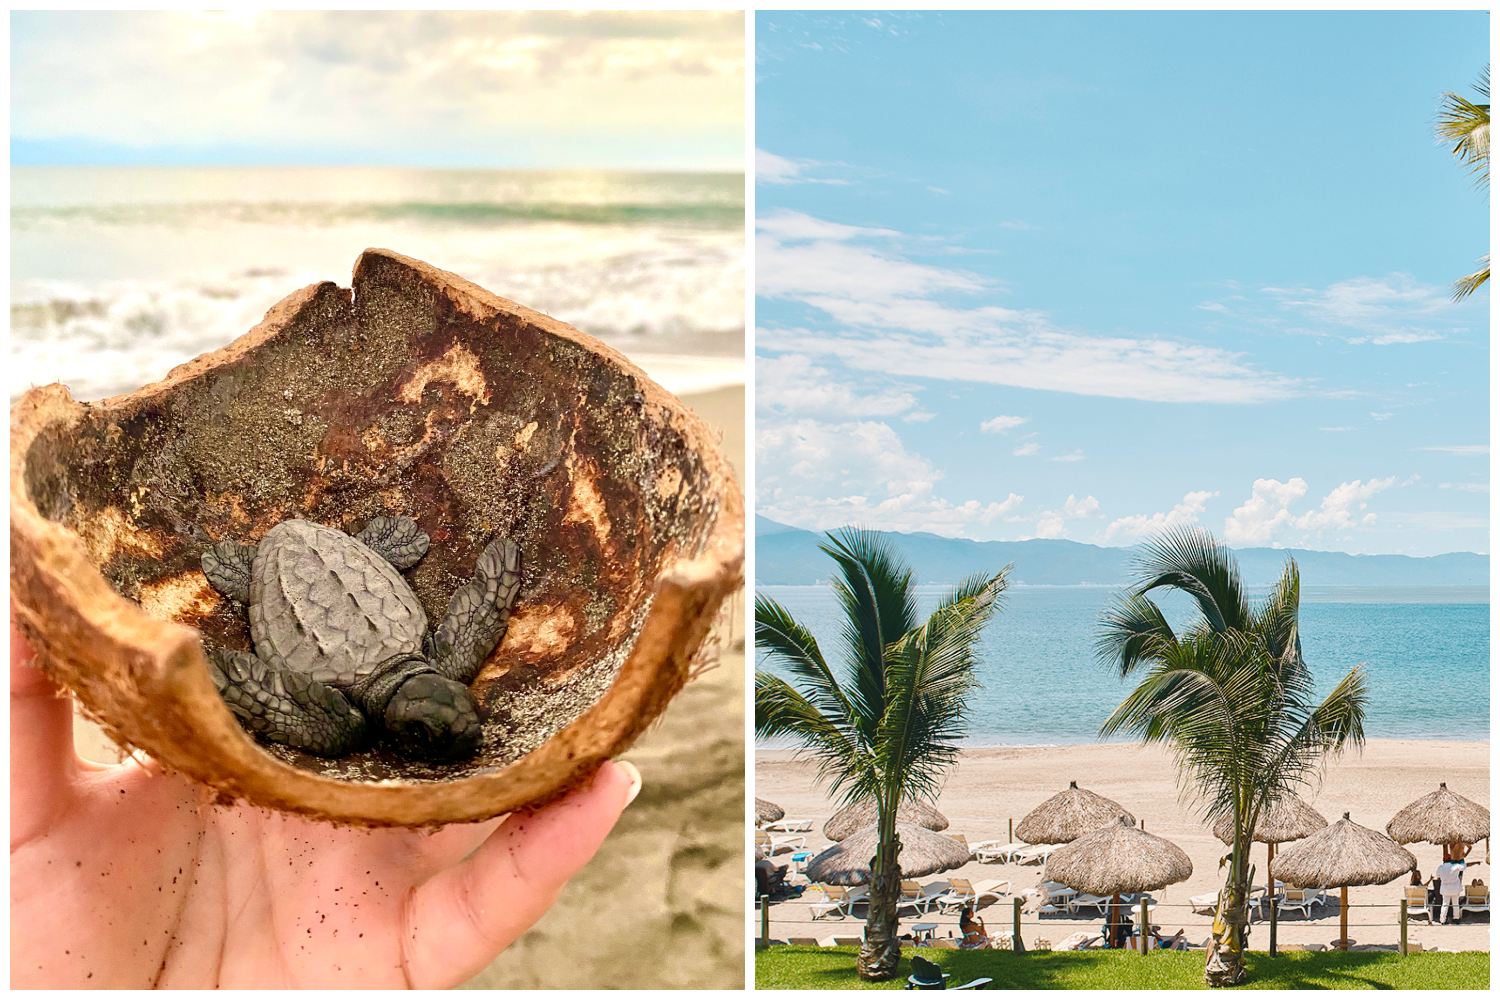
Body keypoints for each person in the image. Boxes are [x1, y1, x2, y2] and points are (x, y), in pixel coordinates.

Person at [10, 612, 640, 988]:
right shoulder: (340, 720)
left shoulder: (442, 660)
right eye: (423, 732)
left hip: (379, 620)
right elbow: (232, 674)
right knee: (316, 719)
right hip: (294, 603)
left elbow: (477, 613)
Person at [1434, 856, 1467, 924]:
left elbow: (1438, 876)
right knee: (1455, 904)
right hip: (1455, 888)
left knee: (1445, 904)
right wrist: (1475, 863)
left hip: (1445, 888)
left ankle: (1443, 919)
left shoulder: (1441, 868)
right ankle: (1456, 918)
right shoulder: (1455, 866)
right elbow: (1464, 866)